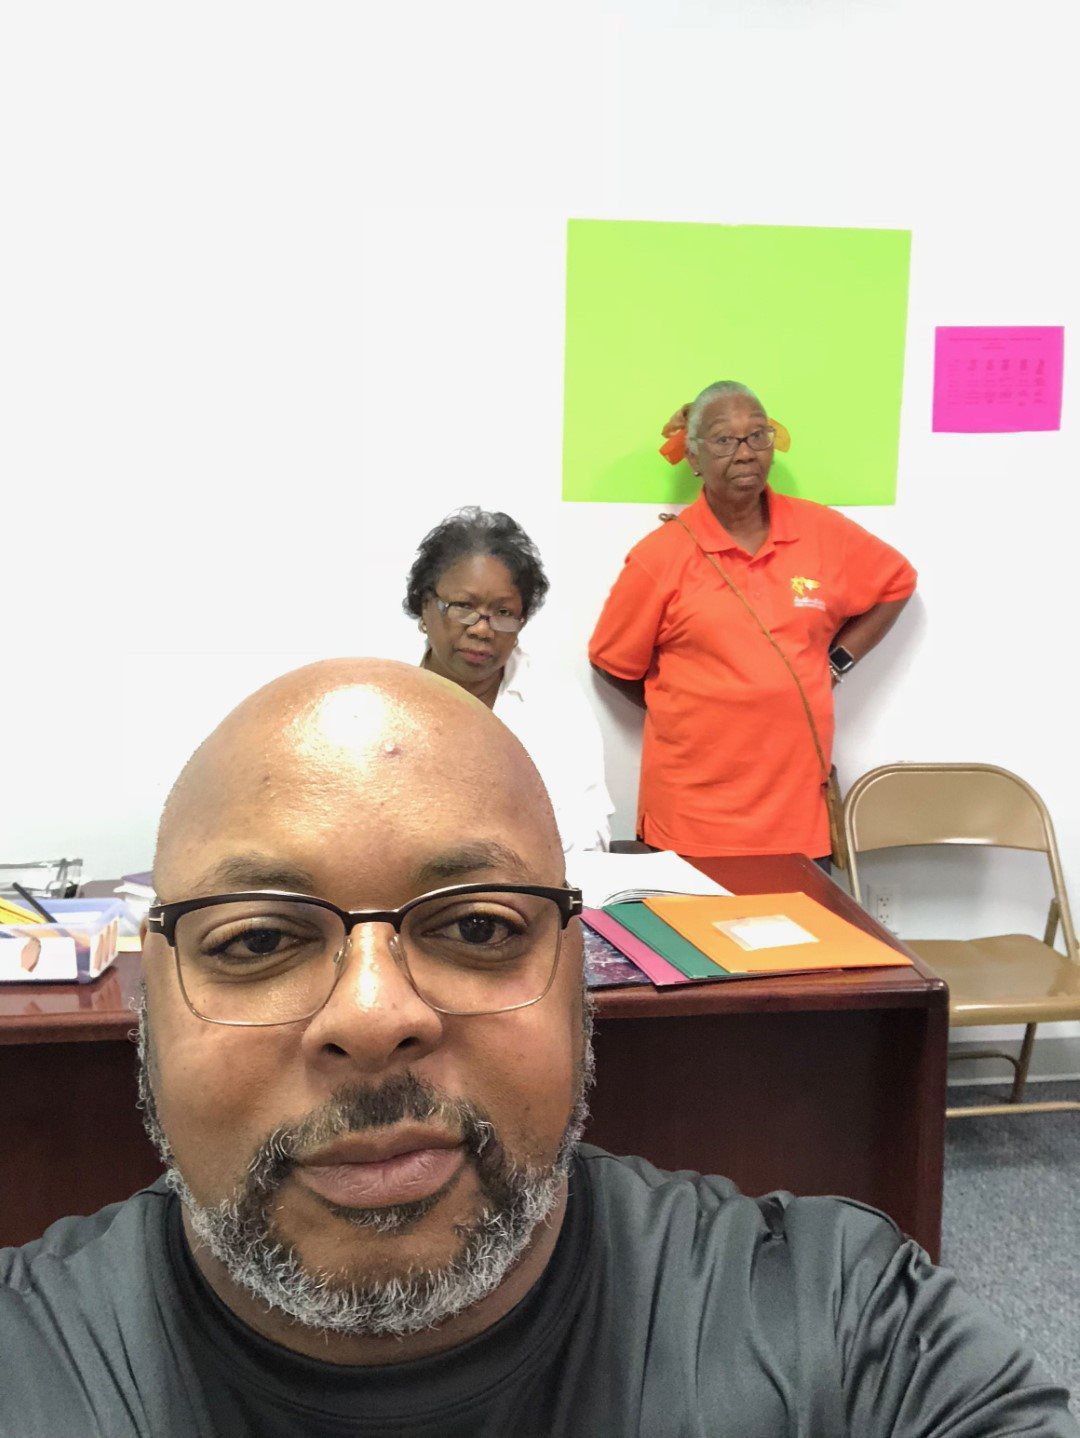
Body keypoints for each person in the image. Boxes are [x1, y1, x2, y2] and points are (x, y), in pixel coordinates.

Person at [0, 658, 1073, 1437]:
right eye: (258, 940)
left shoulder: (844, 1330)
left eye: (477, 926)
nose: (373, 1016)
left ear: (578, 982)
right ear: (150, 999)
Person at [589, 380, 918, 860]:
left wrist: (837, 663)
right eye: (724, 439)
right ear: (694, 457)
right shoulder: (660, 557)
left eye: (758, 435)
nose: (745, 452)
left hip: (797, 822)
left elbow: (897, 582)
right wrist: (687, 715)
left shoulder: (820, 532)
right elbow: (610, 663)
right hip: (691, 822)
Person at [405, 505, 612, 854]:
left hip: (524, 880)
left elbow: (589, 831)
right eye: (463, 606)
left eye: (503, 612)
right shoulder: (380, 694)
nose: (482, 629)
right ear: (426, 606)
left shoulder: (556, 702)